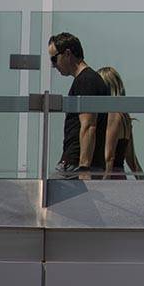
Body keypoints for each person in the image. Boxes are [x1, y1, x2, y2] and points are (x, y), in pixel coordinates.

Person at [48, 32, 109, 179]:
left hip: (75, 165)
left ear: (67, 54)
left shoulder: (86, 81)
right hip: (79, 164)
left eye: (54, 59)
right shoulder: (89, 80)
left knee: (50, 198)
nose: (53, 65)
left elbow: (88, 125)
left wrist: (84, 168)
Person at [97, 66, 144, 180]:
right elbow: (131, 159)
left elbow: (109, 157)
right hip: (119, 176)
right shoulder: (125, 117)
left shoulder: (113, 115)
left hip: (110, 176)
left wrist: (103, 183)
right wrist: (143, 183)